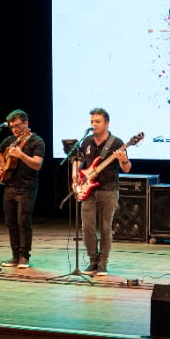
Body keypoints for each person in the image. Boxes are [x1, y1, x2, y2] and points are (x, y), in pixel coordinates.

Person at [72, 108, 131, 276]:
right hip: (88, 189)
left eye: (97, 121)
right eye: (92, 122)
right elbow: (78, 161)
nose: (93, 125)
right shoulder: (87, 141)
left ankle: (103, 263)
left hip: (109, 189)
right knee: (87, 228)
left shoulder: (116, 142)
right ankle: (93, 260)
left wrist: (124, 160)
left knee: (105, 228)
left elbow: (126, 169)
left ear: (107, 123)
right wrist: (75, 174)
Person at [0, 109, 45, 269]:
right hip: (9, 186)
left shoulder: (36, 141)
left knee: (23, 222)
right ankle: (15, 256)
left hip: (26, 187)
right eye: (12, 127)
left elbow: (38, 164)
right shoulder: (9, 141)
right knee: (11, 222)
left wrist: (22, 156)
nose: (14, 129)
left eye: (17, 126)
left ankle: (24, 256)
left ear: (26, 123)